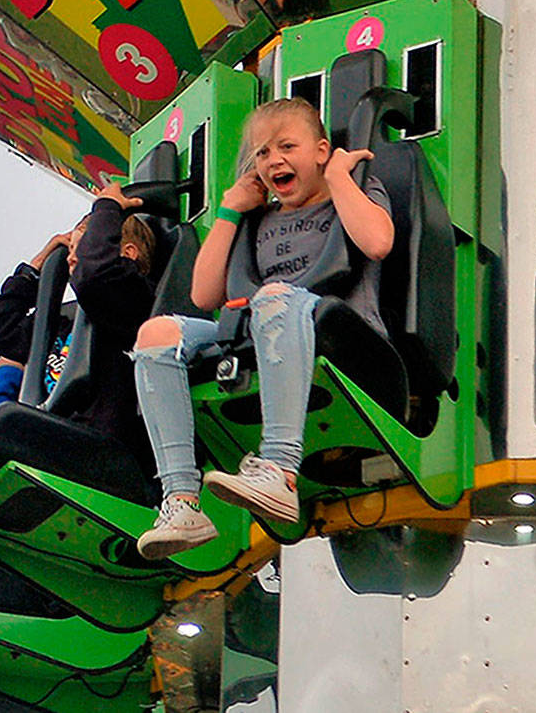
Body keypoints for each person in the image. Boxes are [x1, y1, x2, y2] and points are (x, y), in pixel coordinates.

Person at [133, 98, 393, 559]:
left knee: (275, 296)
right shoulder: (260, 220)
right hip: (262, 324)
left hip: (338, 328)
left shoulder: (354, 191)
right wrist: (231, 211)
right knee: (156, 334)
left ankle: (279, 469)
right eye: (262, 153)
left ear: (320, 150)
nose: (274, 160)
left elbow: (376, 242)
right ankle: (181, 499)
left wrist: (339, 178)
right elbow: (204, 296)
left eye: (286, 146)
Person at [0, 187, 156, 451]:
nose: (71, 257)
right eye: (69, 250)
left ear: (127, 253)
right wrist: (37, 266)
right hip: (55, 433)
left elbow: (94, 276)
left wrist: (106, 206)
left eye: (80, 248)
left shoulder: (133, 301)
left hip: (101, 443)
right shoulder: (63, 324)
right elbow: (3, 332)